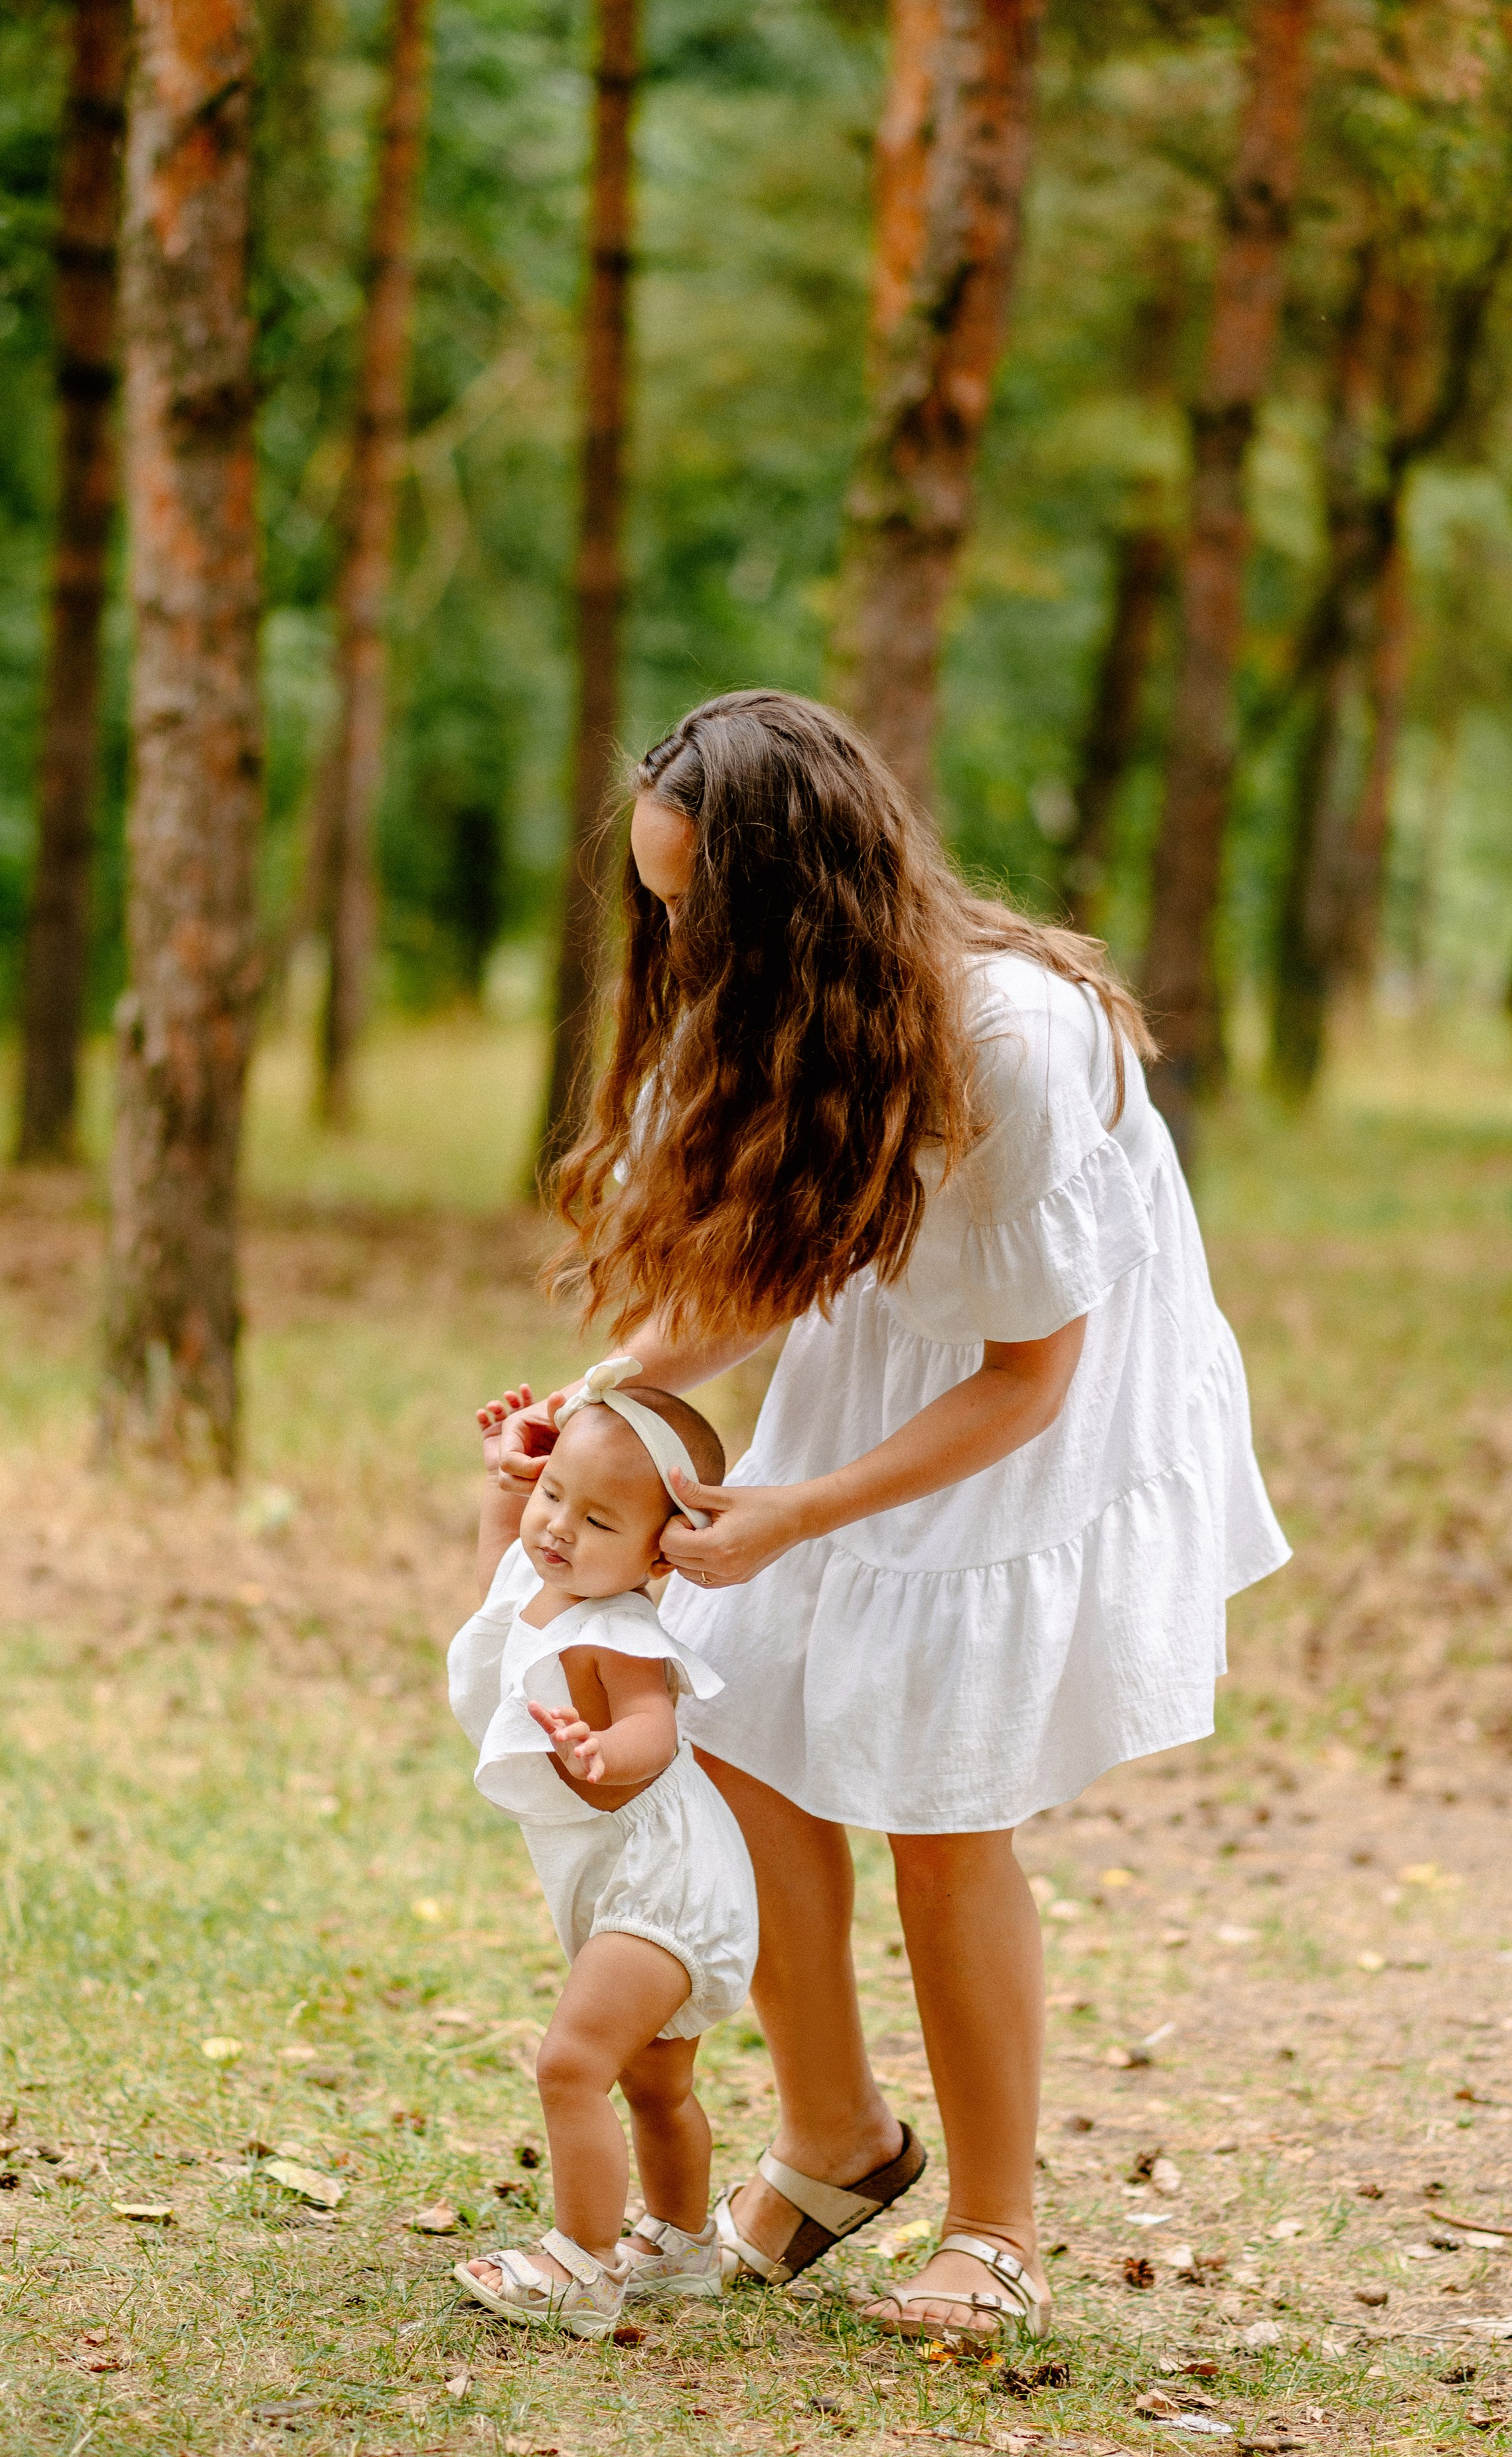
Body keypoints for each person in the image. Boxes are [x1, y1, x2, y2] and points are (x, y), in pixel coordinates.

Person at [501, 689, 1289, 2345]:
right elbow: (765, 1277)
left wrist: (796, 1511)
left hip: (1038, 1388)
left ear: (800, 899)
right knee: (735, 1723)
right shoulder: (779, 1015)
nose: (680, 950)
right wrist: (593, 1411)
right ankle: (838, 2135)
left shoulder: (1005, 1036)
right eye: (659, 910)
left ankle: (993, 2228)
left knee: (943, 1788)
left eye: (700, 912)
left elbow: (1024, 1370)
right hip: (898, 1363)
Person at [447, 1359, 760, 2337]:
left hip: (663, 1878)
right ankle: (677, 2243)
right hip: (628, 1872)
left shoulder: (622, 1629)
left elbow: (652, 1733)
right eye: (554, 1496)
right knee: (657, 2081)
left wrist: (600, 1750)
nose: (557, 1530)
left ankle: (579, 2266)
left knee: (571, 2064)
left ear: (662, 1556)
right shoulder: (544, 1572)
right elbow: (502, 1560)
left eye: (597, 1522)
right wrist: (510, 1480)